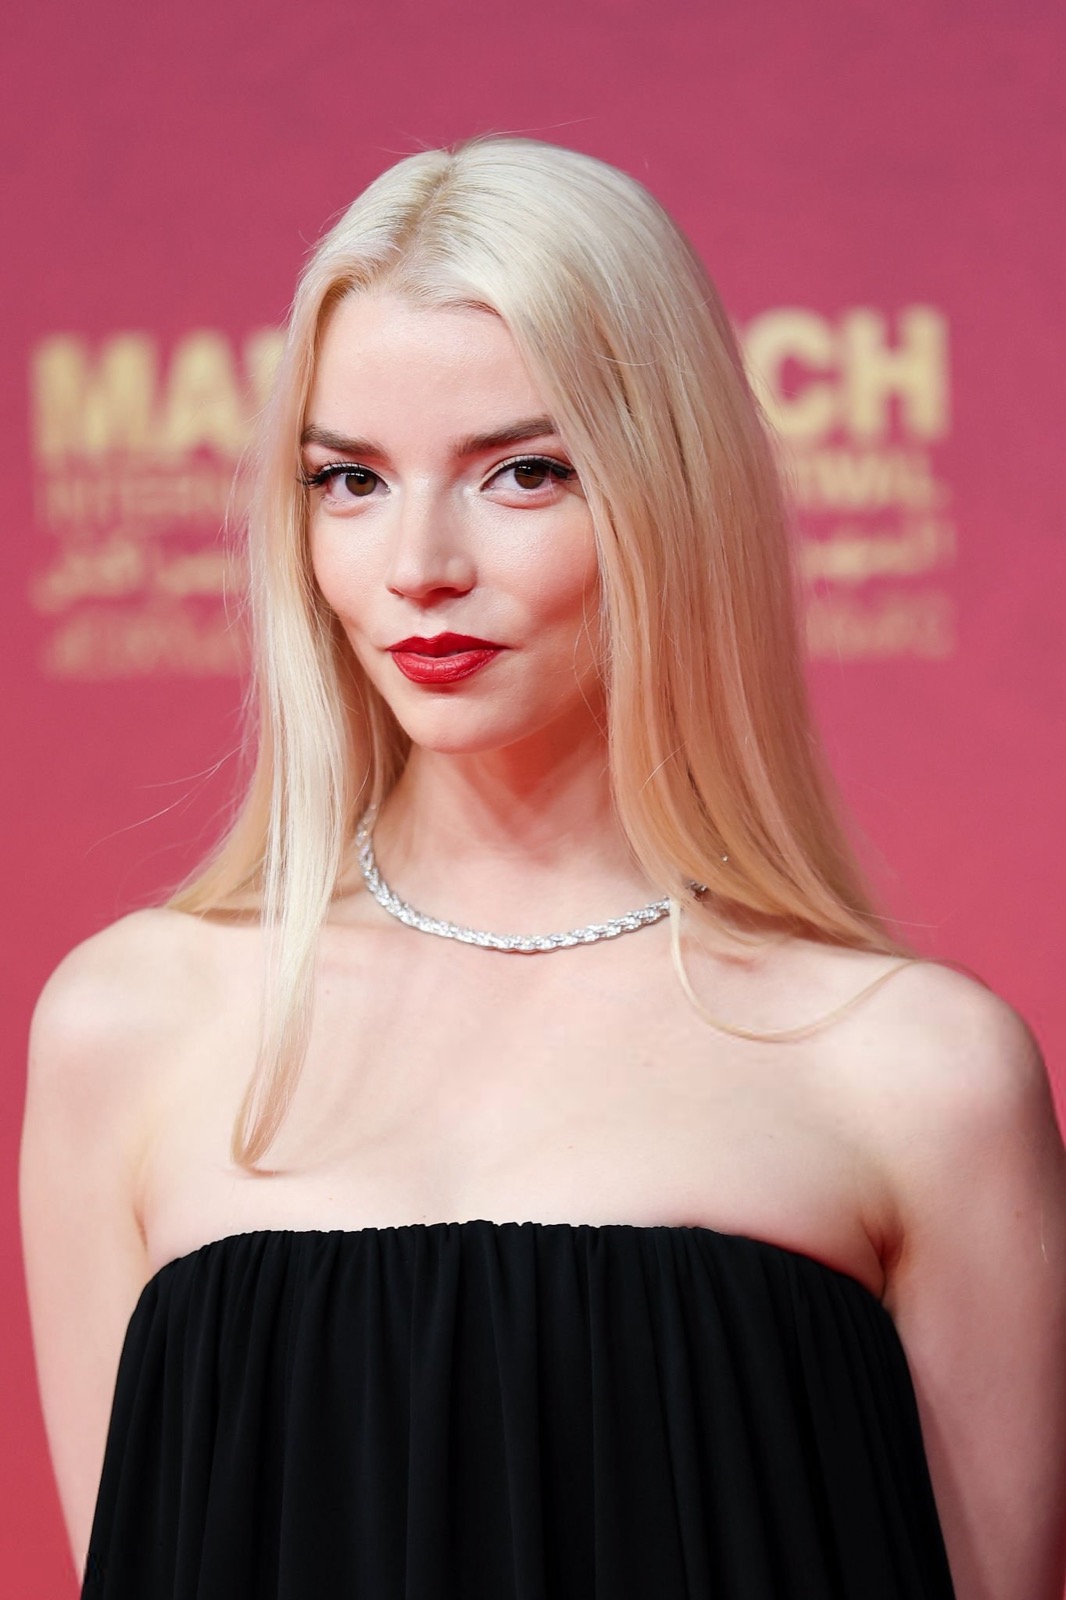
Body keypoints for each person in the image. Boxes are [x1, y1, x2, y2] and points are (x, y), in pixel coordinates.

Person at [19, 135, 1066, 1600]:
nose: (418, 564)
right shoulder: (131, 1031)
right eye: (349, 479)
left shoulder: (916, 1074)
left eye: (524, 472)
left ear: (669, 490)